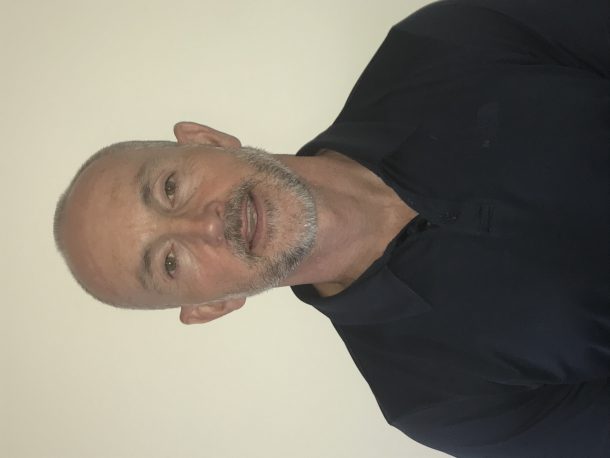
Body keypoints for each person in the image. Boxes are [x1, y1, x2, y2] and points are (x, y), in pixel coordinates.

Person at [54, 0, 609, 456]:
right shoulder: (439, 405)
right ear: (211, 306)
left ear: (207, 141)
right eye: (170, 261)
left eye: (170, 188)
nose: (205, 223)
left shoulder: (444, 42)